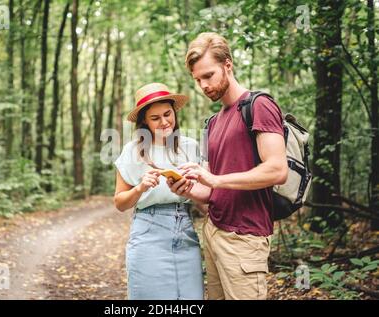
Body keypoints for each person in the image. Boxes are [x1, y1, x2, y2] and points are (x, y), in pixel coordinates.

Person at [167, 32, 288, 300]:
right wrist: (185, 188)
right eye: (198, 80)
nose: (203, 86)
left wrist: (215, 180)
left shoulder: (259, 106)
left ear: (227, 65)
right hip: (213, 232)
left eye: (208, 75)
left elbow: (277, 170)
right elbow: (211, 192)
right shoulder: (212, 123)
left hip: (244, 238)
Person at [113, 82, 204, 300]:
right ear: (144, 120)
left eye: (167, 114)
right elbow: (120, 203)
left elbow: (204, 199)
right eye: (155, 118)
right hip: (148, 232)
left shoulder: (190, 146)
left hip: (185, 230)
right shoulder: (132, 150)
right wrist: (140, 187)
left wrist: (192, 189)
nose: (164, 122)